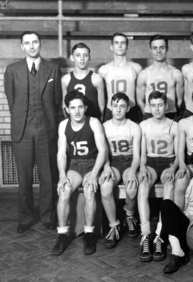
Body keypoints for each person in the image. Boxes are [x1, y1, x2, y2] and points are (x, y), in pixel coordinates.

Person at [4, 31, 62, 233]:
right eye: (27, 43)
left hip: (46, 131)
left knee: (48, 177)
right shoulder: (12, 70)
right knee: (25, 177)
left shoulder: (53, 69)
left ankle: (48, 216)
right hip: (22, 132)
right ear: (21, 46)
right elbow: (12, 102)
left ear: (40, 44)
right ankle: (25, 217)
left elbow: (56, 102)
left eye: (35, 42)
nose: (31, 46)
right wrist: (23, 121)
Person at [51, 90, 108, 255]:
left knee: (90, 189)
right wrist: (62, 175)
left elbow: (103, 150)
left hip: (92, 163)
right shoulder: (63, 125)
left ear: (85, 108)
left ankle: (89, 235)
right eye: (72, 107)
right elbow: (61, 153)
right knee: (63, 190)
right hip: (75, 165)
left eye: (80, 107)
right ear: (67, 109)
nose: (76, 111)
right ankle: (62, 235)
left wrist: (95, 173)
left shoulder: (94, 122)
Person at [137, 91, 179, 262]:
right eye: (153, 105)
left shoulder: (174, 125)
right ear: (148, 107)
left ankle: (160, 234)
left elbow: (178, 154)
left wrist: (174, 168)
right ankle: (146, 234)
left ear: (166, 106)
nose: (156, 108)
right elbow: (142, 154)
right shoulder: (144, 125)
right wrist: (142, 167)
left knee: (169, 185)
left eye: (160, 105)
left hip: (168, 162)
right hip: (151, 163)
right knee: (143, 185)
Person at [99, 93, 142, 249]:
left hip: (129, 161)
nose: (118, 109)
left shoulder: (134, 127)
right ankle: (114, 226)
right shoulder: (104, 127)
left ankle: (129, 216)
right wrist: (106, 167)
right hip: (112, 162)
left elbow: (137, 156)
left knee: (131, 187)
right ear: (110, 106)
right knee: (105, 186)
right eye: (115, 106)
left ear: (128, 108)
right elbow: (103, 152)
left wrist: (132, 170)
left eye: (122, 106)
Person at [136, 34, 184, 120]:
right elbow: (140, 100)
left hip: (170, 115)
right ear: (150, 50)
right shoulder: (144, 74)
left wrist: (171, 112)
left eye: (162, 47)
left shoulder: (176, 73)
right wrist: (148, 114)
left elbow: (180, 100)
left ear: (167, 49)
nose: (158, 51)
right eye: (155, 48)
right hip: (150, 115)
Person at [98, 32, 143, 122]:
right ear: (111, 47)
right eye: (116, 43)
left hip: (131, 109)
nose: (119, 46)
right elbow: (101, 96)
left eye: (122, 43)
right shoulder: (103, 70)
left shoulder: (136, 68)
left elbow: (141, 94)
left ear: (127, 47)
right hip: (111, 110)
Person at [62, 42, 105, 120]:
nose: (82, 59)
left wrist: (99, 122)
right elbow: (64, 105)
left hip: (92, 122)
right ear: (72, 58)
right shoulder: (65, 80)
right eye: (78, 55)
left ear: (90, 57)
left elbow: (101, 106)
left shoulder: (97, 79)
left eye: (85, 55)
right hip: (74, 123)